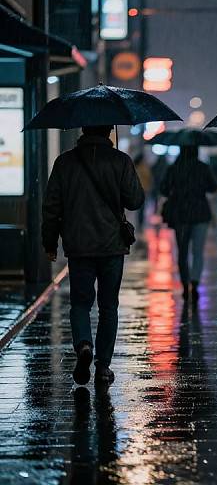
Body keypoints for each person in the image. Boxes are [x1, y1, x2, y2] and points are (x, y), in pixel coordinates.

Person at [42, 125, 145, 386]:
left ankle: (84, 345)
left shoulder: (65, 162)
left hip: (79, 246)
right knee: (109, 305)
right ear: (110, 130)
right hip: (111, 246)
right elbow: (135, 200)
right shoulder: (120, 160)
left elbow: (52, 205)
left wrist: (50, 241)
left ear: (83, 129)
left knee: (80, 303)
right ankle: (103, 367)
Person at [160, 145, 217, 302]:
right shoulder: (203, 168)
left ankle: (185, 285)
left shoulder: (174, 168)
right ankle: (195, 283)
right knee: (198, 251)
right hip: (200, 213)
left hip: (181, 215)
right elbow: (213, 187)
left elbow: (163, 189)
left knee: (182, 251)